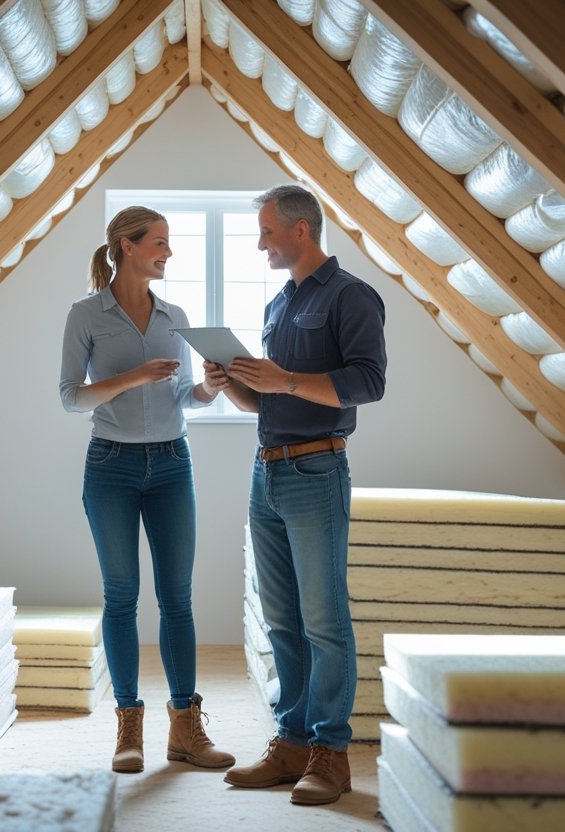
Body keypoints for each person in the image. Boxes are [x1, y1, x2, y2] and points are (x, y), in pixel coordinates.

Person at [207, 185, 386, 805]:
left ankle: (331, 755)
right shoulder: (281, 304)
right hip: (268, 473)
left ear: (300, 231)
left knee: (324, 622)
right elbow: (272, 400)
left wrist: (282, 376)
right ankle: (290, 743)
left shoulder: (352, 296)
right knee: (283, 619)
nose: (260, 243)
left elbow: (368, 383)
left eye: (266, 231)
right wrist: (234, 383)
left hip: (316, 473)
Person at [59, 206, 235, 775]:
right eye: (159, 242)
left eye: (168, 243)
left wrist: (208, 389)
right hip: (109, 466)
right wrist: (134, 376)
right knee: (121, 596)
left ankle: (186, 729)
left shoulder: (175, 316)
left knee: (177, 598)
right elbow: (70, 397)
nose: (167, 252)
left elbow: (184, 396)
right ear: (127, 246)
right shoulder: (86, 314)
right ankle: (128, 729)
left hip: (171, 463)